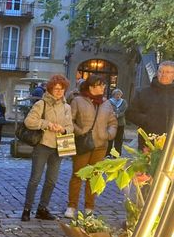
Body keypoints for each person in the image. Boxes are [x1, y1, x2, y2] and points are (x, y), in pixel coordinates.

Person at [21, 75, 73, 221]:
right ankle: (27, 209)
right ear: (50, 89)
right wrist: (47, 124)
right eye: (56, 89)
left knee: (52, 180)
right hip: (43, 145)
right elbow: (29, 121)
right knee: (35, 179)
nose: (59, 91)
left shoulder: (67, 107)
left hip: (59, 146)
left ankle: (42, 208)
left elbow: (70, 127)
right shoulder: (41, 104)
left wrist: (63, 129)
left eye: (61, 89)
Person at [65, 75, 117, 218]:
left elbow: (113, 122)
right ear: (91, 87)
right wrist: (79, 131)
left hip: (100, 145)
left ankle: (89, 207)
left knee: (94, 177)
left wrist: (109, 134)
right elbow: (70, 120)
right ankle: (71, 206)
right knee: (77, 175)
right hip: (83, 144)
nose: (103, 88)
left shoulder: (106, 104)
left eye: (103, 85)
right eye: (100, 85)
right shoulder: (78, 101)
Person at [126, 61, 174, 150]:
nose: (163, 74)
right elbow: (130, 114)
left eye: (168, 72)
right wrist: (147, 120)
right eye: (160, 71)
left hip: (171, 145)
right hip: (148, 144)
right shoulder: (144, 93)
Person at [106, 88, 127, 156]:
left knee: (119, 139)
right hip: (111, 123)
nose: (118, 96)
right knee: (110, 138)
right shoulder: (109, 101)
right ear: (113, 95)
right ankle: (108, 153)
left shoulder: (123, 102)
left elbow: (124, 111)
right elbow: (108, 110)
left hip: (120, 123)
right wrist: (113, 114)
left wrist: (117, 115)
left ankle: (117, 153)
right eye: (116, 94)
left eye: (119, 94)